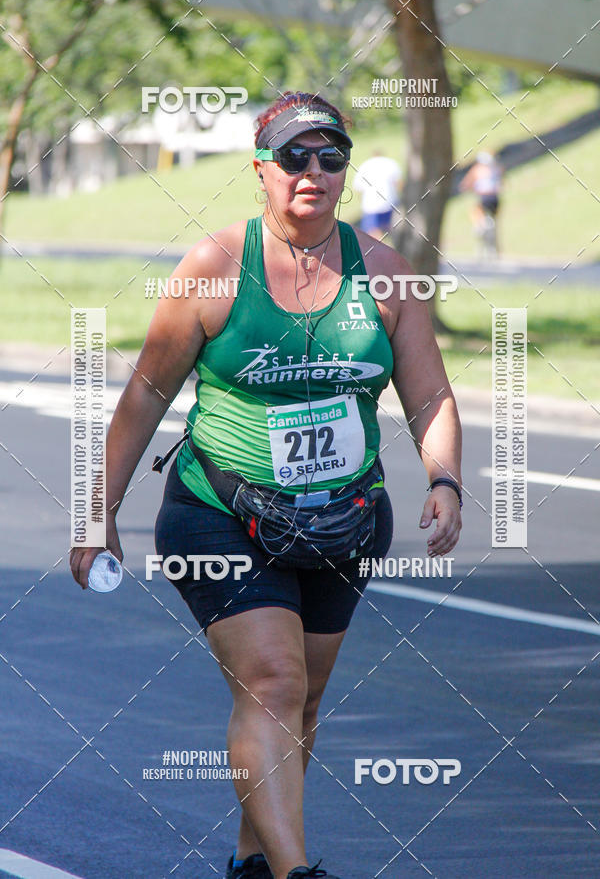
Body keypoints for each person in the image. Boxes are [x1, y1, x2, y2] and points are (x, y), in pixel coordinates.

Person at [70, 91, 462, 879]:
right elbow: (145, 395)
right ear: (260, 168)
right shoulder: (215, 267)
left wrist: (444, 478)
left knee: (301, 702)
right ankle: (294, 872)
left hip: (346, 518)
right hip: (220, 513)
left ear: (345, 170)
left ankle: (254, 862)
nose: (313, 171)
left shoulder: (387, 275)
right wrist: (96, 510)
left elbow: (430, 397)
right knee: (274, 682)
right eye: (293, 156)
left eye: (330, 156)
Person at [351, 150, 402, 240]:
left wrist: (362, 202)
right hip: (390, 203)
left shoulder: (365, 165)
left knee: (373, 235)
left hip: (371, 205)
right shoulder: (391, 163)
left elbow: (358, 189)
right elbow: (399, 184)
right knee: (392, 232)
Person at [459, 151, 503, 253]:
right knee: (485, 224)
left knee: (490, 223)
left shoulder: (490, 169)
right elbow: (465, 184)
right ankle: (485, 246)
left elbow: (501, 182)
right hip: (486, 199)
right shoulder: (482, 169)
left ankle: (491, 247)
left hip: (490, 199)